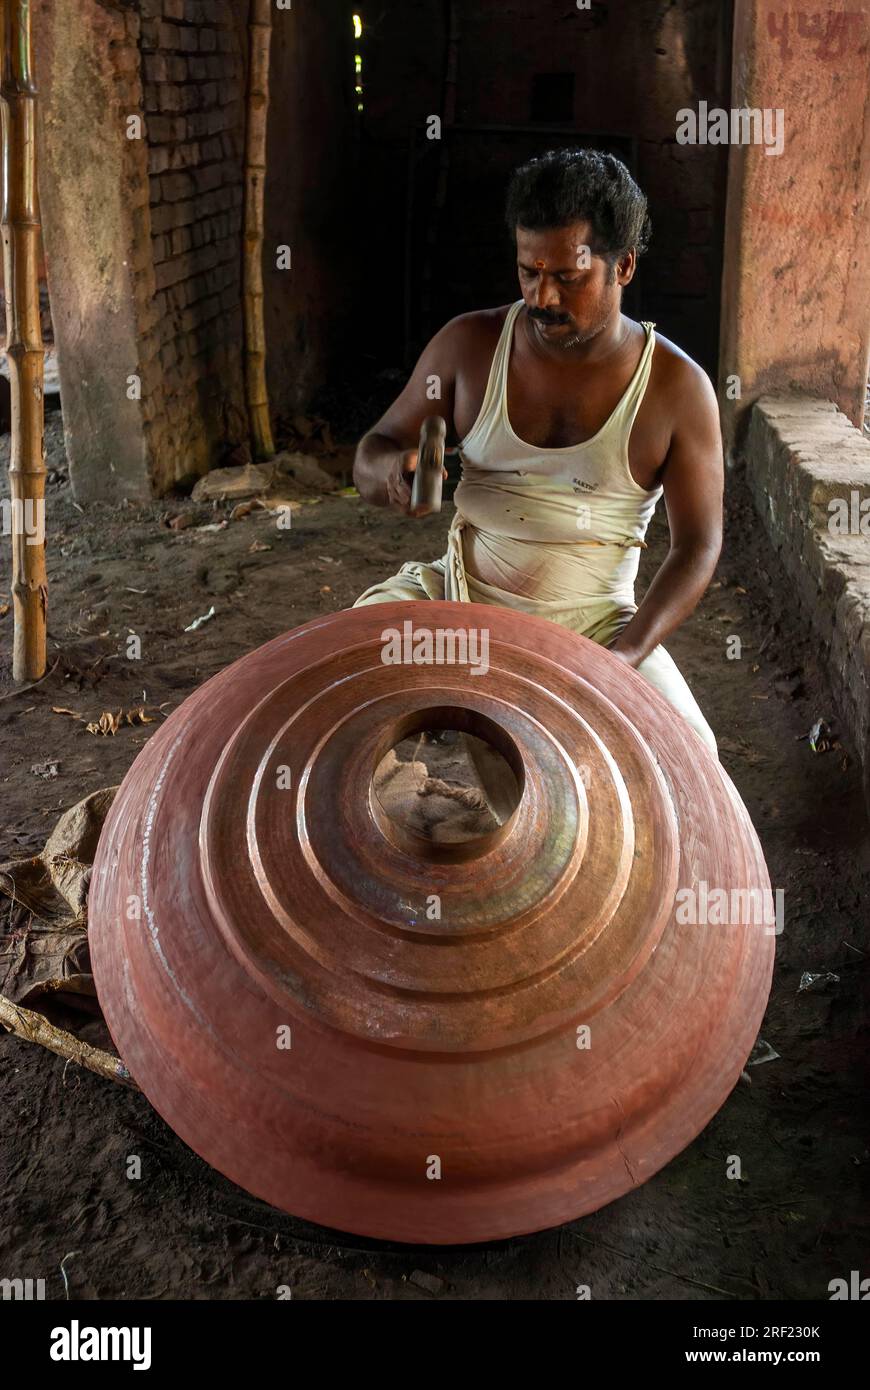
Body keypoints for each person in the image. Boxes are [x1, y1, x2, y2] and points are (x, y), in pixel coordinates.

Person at [352, 148, 722, 814]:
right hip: (457, 598)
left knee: (691, 769)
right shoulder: (468, 347)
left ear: (624, 266)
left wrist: (625, 658)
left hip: (597, 624)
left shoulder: (676, 389)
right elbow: (374, 448)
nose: (543, 297)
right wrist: (391, 474)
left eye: (568, 278)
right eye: (529, 272)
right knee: (329, 687)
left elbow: (698, 547)